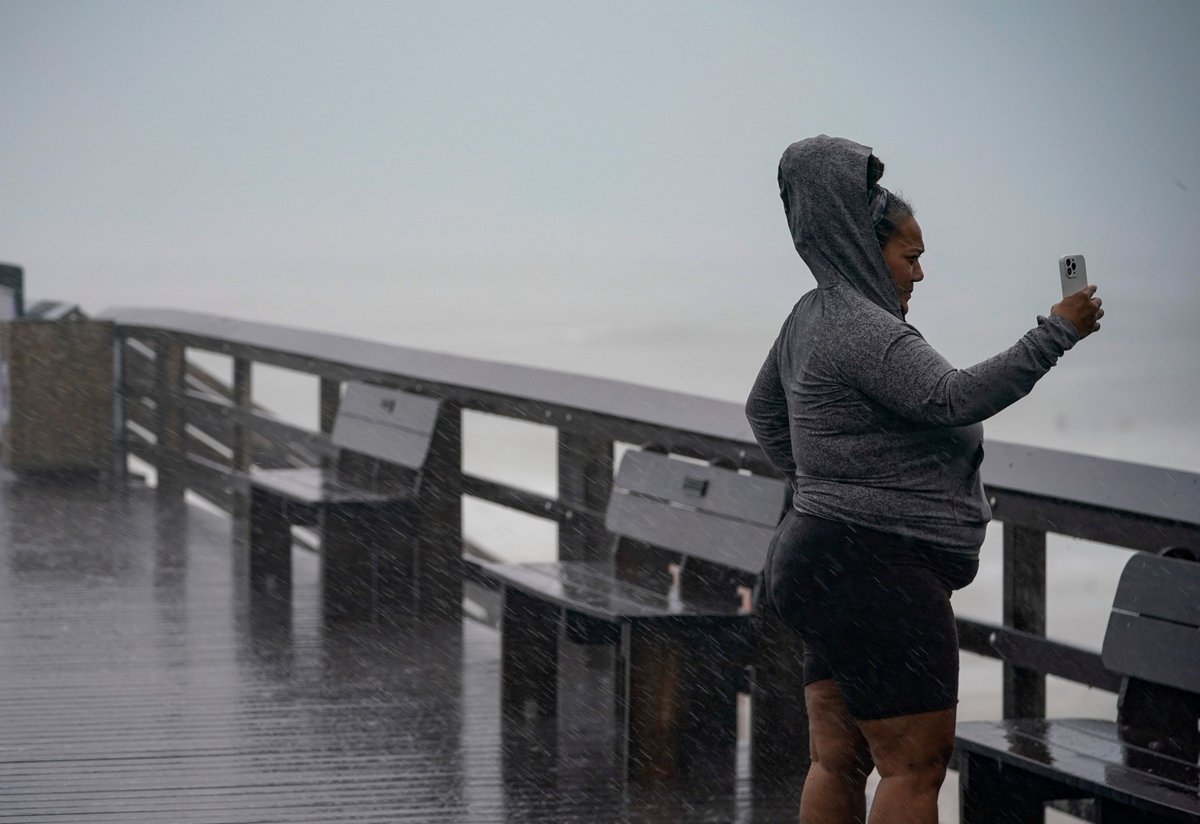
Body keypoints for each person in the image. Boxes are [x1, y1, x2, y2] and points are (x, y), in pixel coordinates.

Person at [745, 135, 1104, 824]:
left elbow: (763, 411)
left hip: (817, 557)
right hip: (876, 566)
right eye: (909, 257)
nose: (918, 274)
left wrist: (820, 487)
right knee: (912, 770)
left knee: (837, 759)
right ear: (862, 245)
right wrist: (1058, 332)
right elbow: (953, 398)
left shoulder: (810, 315)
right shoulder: (864, 329)